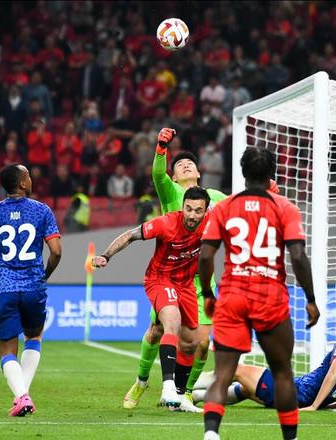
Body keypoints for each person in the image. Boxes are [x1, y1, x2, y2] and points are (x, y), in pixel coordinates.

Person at [198, 147, 320, 440]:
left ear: (242, 172)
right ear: (272, 174)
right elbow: (298, 256)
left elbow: (205, 256)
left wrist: (208, 294)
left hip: (233, 295)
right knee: (282, 372)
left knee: (223, 372)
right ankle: (290, 438)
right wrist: (311, 299)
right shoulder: (285, 207)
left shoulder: (225, 207)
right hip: (269, 296)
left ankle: (211, 434)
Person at [122, 127, 227, 413]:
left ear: (199, 173)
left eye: (190, 163)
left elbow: (239, 206)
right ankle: (142, 381)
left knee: (201, 343)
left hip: (202, 280)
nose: (185, 165)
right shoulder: (171, 193)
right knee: (157, 331)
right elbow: (158, 174)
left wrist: (264, 194)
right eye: (179, 165)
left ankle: (186, 393)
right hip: (171, 276)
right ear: (175, 176)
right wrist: (161, 148)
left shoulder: (215, 197)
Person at [92, 187, 212, 411]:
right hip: (160, 280)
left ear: (205, 212)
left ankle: (179, 398)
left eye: (198, 211)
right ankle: (165, 387)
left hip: (186, 284)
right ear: (182, 207)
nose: (192, 215)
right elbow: (130, 235)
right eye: (188, 209)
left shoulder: (212, 223)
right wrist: (106, 255)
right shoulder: (166, 223)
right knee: (171, 322)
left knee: (191, 343)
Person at [0, 164, 62, 416]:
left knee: (6, 349)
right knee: (34, 338)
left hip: (4, 286)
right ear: (22, 183)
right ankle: (23, 396)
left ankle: (22, 397)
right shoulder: (42, 210)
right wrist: (44, 276)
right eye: (28, 176)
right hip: (34, 285)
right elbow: (56, 251)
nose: (31, 179)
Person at [193, 311, 336, 411]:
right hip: (297, 398)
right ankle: (195, 397)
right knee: (246, 389)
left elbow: (334, 373)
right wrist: (324, 405)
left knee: (236, 369)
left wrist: (314, 406)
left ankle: (185, 387)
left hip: (294, 392)